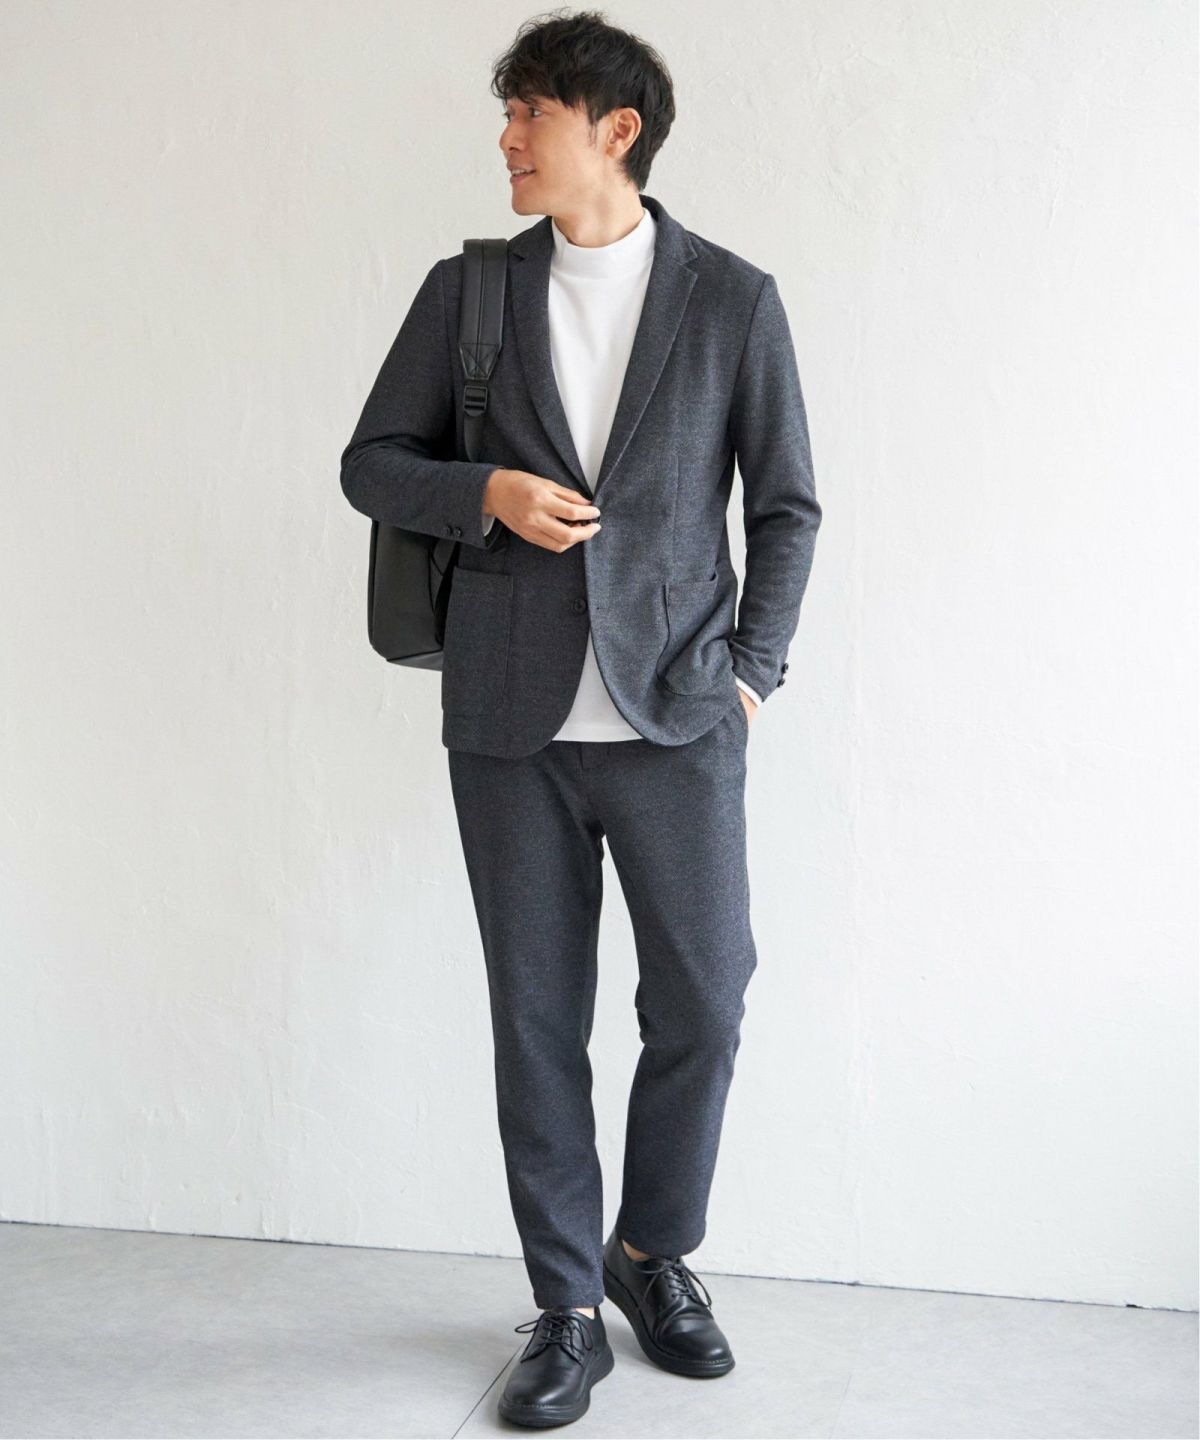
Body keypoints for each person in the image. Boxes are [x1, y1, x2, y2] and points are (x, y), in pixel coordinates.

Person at [340, 8, 821, 1428]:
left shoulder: (732, 299)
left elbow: (786, 505)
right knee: (537, 1019)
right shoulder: (470, 293)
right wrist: (483, 491)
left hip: (681, 716)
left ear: (615, 129)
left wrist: (752, 671)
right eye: (507, 115)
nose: (505, 138)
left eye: (528, 114)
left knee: (706, 999)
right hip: (510, 722)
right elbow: (372, 463)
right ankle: (563, 1302)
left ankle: (650, 1253)